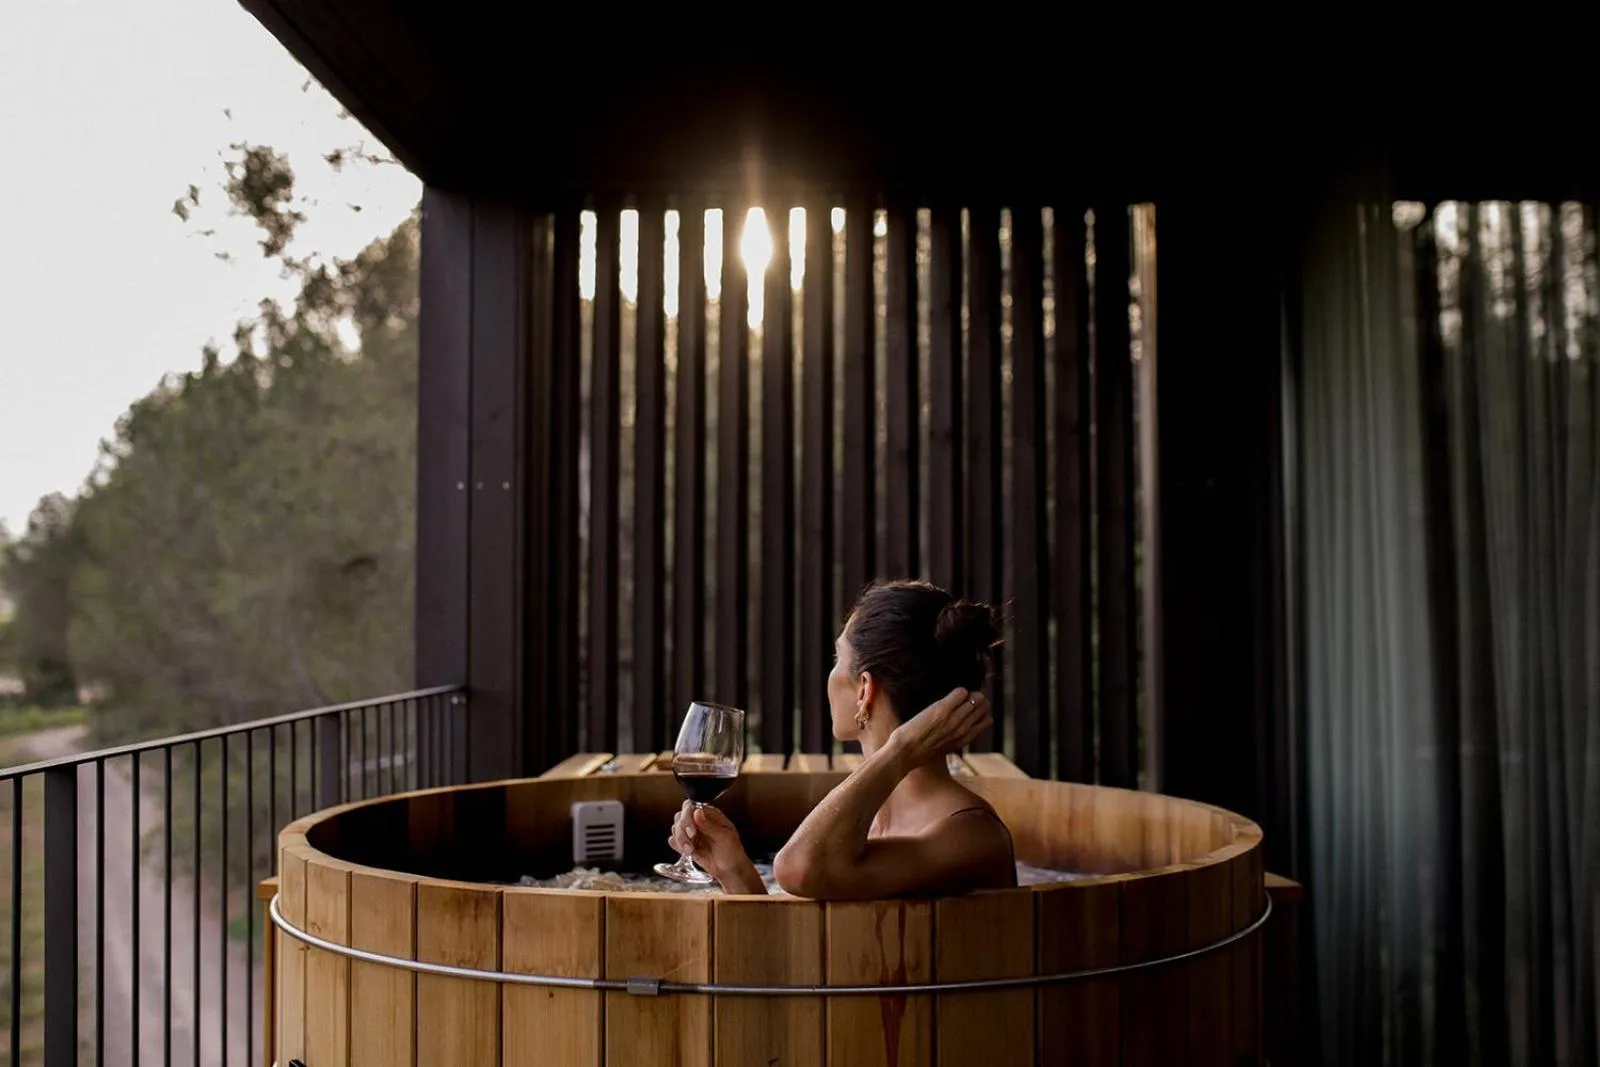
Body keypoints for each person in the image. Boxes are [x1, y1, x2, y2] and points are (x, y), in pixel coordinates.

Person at [667, 579, 1016, 899]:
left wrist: (901, 748)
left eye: (838, 657)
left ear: (864, 690)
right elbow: (803, 944)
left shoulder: (972, 834)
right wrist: (735, 871)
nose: (830, 673)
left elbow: (798, 870)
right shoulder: (862, 818)